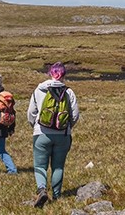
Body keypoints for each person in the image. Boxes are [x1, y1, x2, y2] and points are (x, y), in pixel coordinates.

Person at [28, 63, 81, 207]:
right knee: (58, 167)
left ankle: (42, 189)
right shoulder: (69, 92)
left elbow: (31, 113)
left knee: (40, 165)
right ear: (64, 75)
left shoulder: (39, 90)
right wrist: (68, 127)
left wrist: (36, 126)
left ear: (50, 73)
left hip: (41, 134)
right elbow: (75, 115)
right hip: (63, 134)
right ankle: (57, 196)